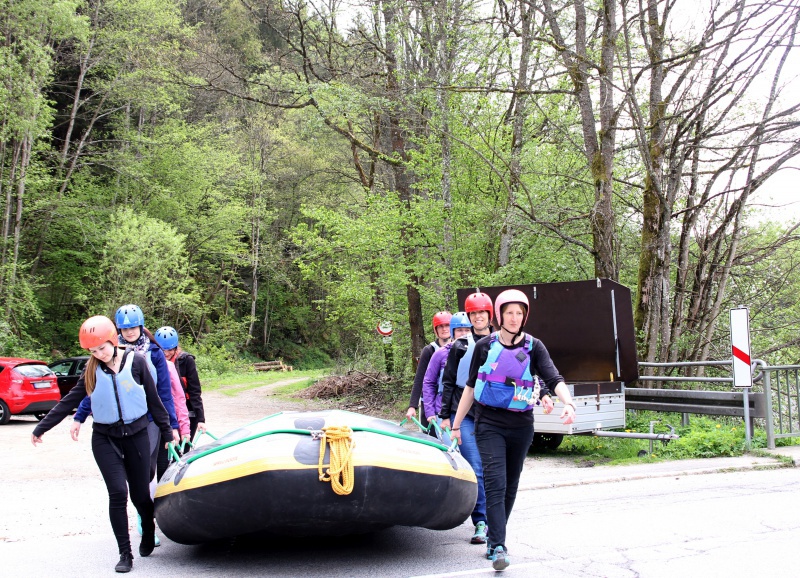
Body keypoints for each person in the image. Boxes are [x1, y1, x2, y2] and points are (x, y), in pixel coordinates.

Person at [31, 316, 176, 573]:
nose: (98, 354)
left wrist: (168, 433)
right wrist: (42, 427)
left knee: (140, 495)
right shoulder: (91, 369)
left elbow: (156, 402)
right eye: (92, 351)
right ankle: (125, 553)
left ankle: (148, 525)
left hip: (137, 435)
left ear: (112, 341)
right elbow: (69, 401)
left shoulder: (137, 362)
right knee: (118, 492)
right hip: (105, 437)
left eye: (102, 348)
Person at [450, 289, 576, 571]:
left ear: (525, 315)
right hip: (489, 422)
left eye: (519, 313)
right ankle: (498, 547)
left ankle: (496, 535)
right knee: (495, 482)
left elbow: (553, 377)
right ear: (500, 315)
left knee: (510, 485)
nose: (515, 318)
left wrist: (568, 403)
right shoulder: (485, 346)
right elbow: (470, 387)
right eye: (509, 312)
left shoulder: (534, 346)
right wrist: (456, 425)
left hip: (521, 424)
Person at [73, 305, 179, 545]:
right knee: (126, 480)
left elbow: (163, 392)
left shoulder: (153, 352)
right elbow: (94, 391)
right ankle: (142, 519)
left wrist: (171, 425)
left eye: (133, 327)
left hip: (148, 421)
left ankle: (147, 517)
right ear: (117, 329)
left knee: (146, 473)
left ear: (141, 326)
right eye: (124, 327)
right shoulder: (104, 352)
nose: (129, 332)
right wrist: (79, 416)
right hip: (116, 427)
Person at [438, 291, 494, 545]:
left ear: (489, 314)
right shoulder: (460, 346)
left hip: (494, 414)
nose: (478, 316)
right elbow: (448, 381)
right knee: (477, 468)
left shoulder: (501, 342)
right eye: (473, 313)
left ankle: (497, 519)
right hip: (467, 414)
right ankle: (480, 521)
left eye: (482, 312)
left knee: (495, 469)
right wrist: (446, 417)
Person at [422, 312, 472, 439]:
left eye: (467, 330)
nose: (464, 333)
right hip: (444, 411)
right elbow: (428, 382)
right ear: (453, 332)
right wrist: (429, 411)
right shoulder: (440, 354)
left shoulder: (478, 351)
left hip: (471, 410)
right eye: (460, 330)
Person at [156, 326, 207, 440]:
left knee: (184, 449)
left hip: (187, 412)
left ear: (175, 348)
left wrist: (200, 419)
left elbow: (195, 391)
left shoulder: (186, 361)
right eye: (162, 350)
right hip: (165, 413)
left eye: (169, 350)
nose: (166, 353)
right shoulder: (153, 362)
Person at [405, 311, 452, 430]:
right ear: (436, 330)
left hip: (449, 401)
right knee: (430, 437)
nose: (444, 329)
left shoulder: (459, 348)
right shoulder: (429, 350)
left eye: (447, 325)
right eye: (440, 326)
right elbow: (420, 378)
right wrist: (412, 406)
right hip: (429, 400)